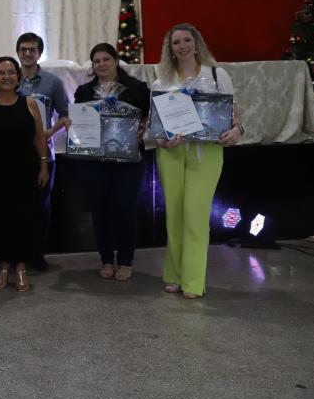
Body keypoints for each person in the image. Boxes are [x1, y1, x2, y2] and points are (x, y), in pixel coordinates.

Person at [153, 23, 243, 299]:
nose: (182, 46)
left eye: (187, 40)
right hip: (171, 154)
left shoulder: (217, 75)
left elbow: (235, 114)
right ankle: (174, 275)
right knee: (175, 216)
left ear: (196, 43)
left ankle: (193, 281)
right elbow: (157, 129)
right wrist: (164, 141)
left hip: (207, 153)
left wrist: (236, 131)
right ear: (170, 49)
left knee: (195, 215)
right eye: (176, 42)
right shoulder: (161, 82)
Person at [72, 43, 150, 282]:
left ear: (116, 61)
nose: (101, 64)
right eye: (97, 61)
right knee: (100, 210)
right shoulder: (84, 91)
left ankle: (125, 261)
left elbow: (149, 116)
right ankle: (106, 259)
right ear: (92, 65)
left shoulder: (137, 88)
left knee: (125, 209)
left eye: (106, 59)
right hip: (95, 161)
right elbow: (80, 122)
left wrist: (143, 127)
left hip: (128, 160)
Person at [0, 57, 49, 292]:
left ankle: (21, 266)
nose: (7, 77)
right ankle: (4, 265)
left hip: (25, 171)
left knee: (24, 219)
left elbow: (39, 137)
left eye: (11, 72)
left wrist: (44, 166)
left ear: (18, 77)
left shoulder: (30, 103)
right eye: (1, 73)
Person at [15, 32, 69, 271]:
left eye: (32, 49)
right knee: (15, 205)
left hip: (43, 153)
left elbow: (65, 115)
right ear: (18, 52)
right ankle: (15, 253)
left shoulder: (52, 82)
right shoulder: (7, 77)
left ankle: (36, 253)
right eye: (23, 49)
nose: (28, 53)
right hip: (12, 153)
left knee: (40, 206)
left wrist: (49, 132)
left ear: (39, 53)